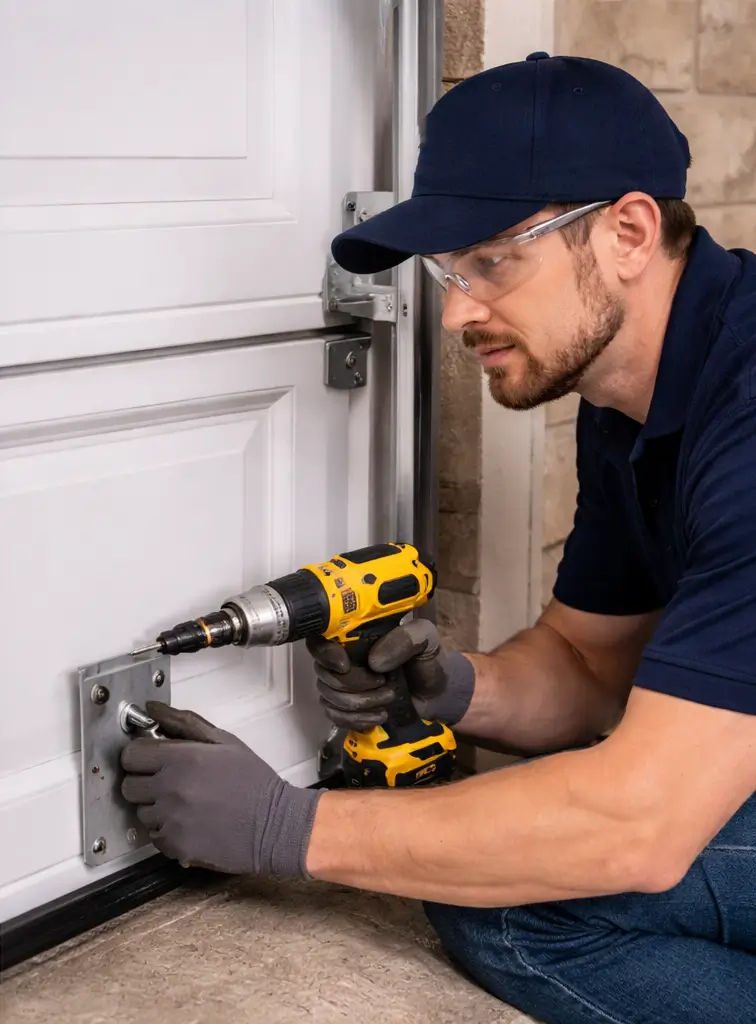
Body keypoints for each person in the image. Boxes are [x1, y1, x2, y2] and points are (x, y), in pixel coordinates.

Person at [120, 54, 756, 1023]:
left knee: (517, 896)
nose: (457, 309)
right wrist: (458, 688)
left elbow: (641, 819)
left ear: (628, 232)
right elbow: (592, 662)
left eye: (492, 260)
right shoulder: (626, 396)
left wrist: (289, 828)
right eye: (448, 268)